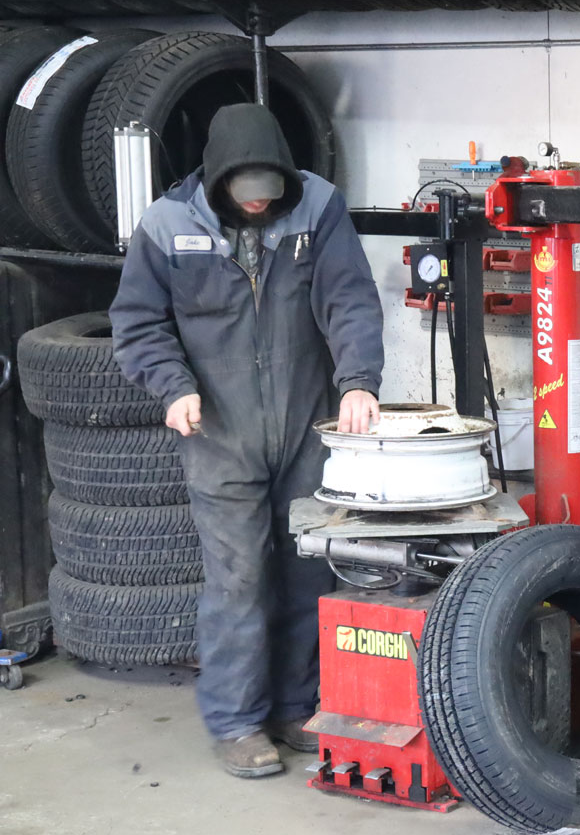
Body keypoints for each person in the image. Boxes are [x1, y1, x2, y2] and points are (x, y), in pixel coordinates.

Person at [110, 103, 384, 779]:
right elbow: (139, 323)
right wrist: (173, 387)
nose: (261, 205)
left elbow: (349, 298)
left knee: (306, 570)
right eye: (247, 195)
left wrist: (357, 380)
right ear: (218, 180)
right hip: (220, 432)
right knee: (238, 579)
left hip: (304, 426)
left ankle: (294, 709)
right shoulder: (168, 225)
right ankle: (236, 722)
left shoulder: (316, 209)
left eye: (271, 193)